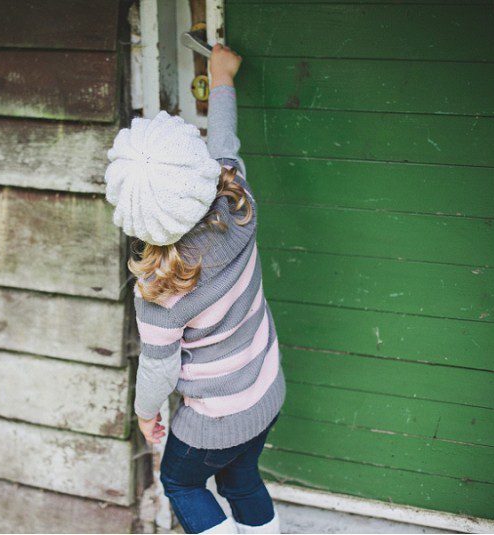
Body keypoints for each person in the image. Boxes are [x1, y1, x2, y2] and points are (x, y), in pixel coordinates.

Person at [104, 44, 285, 534]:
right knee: (241, 477)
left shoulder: (160, 292)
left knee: (182, 484)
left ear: (136, 214)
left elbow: (159, 370)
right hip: (266, 389)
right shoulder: (238, 205)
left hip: (213, 419)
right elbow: (225, 142)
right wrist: (220, 77)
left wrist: (145, 416)